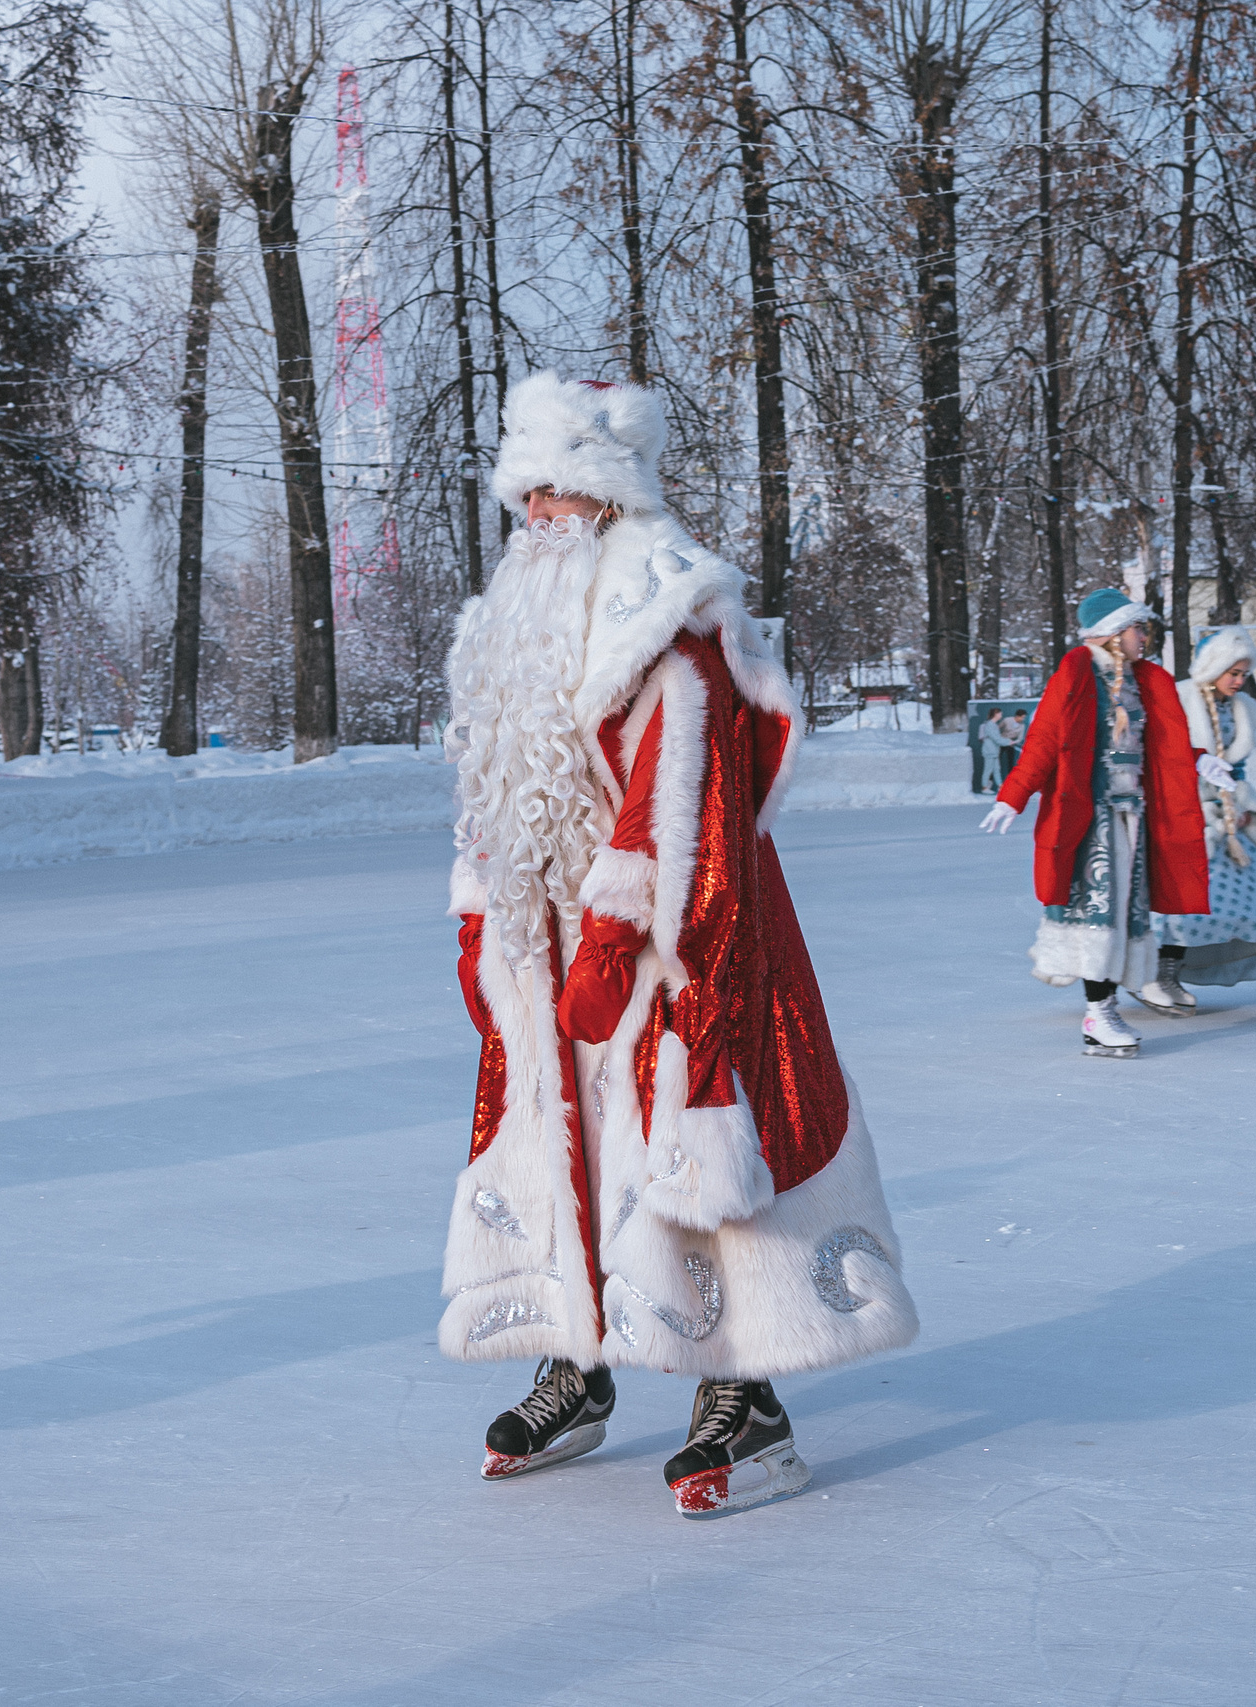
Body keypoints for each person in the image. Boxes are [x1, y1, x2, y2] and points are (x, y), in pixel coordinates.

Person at [439, 372, 917, 1518]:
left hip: (682, 944)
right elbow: (492, 783)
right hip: (546, 942)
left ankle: (742, 1394)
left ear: (604, 496)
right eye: (527, 498)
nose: (536, 519)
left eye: (555, 495)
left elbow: (689, 804)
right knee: (572, 1145)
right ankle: (578, 1353)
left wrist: (619, 933)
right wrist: (478, 913)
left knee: (695, 1142)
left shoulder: (670, 617)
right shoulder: (510, 623)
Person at [980, 589, 1224, 1058]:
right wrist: (1012, 796)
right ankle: (1099, 1014)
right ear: (1112, 633)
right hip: (1093, 818)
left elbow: (1163, 748)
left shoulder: (1145, 681)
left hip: (1136, 815)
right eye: (1138, 629)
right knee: (1099, 914)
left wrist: (1199, 761)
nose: (1144, 637)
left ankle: (1106, 1008)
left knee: (1125, 915)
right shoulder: (1076, 673)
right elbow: (1044, 742)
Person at [1146, 627, 1256, 1009]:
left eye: (1244, 674)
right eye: (1232, 673)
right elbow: (1166, 761)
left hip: (1225, 821)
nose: (1239, 681)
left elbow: (1237, 772)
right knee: (1182, 899)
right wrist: (1196, 807)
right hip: (1182, 815)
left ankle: (1179, 969)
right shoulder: (1181, 699)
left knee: (1249, 900)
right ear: (1213, 667)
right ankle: (1162, 972)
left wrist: (1241, 809)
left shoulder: (1243, 710)